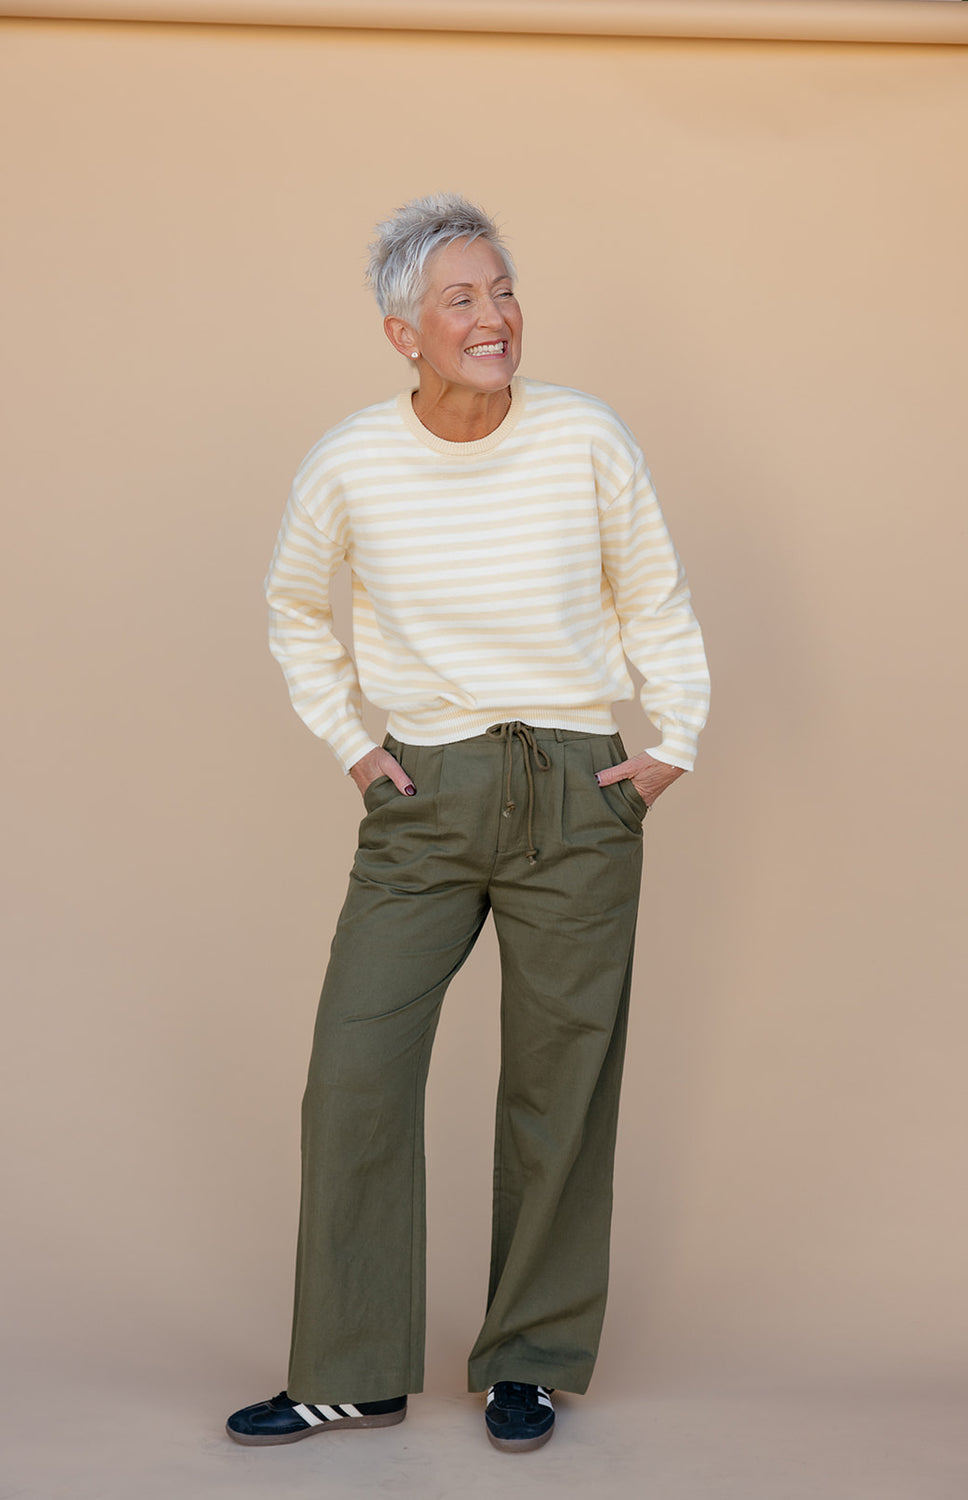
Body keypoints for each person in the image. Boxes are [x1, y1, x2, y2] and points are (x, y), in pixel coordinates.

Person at [226, 193, 709, 1455]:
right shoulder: (350, 460)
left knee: (562, 1084)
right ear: (404, 332)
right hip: (424, 798)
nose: (494, 318)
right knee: (355, 1071)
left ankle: (527, 1361)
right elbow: (293, 605)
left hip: (577, 789)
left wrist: (669, 747)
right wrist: (352, 743)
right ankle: (351, 1369)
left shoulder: (585, 435)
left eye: (502, 291)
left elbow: (653, 595)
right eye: (462, 299)